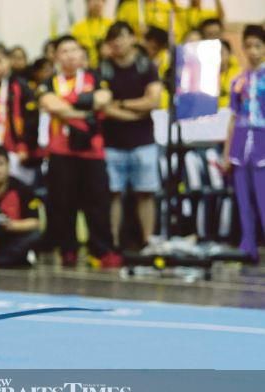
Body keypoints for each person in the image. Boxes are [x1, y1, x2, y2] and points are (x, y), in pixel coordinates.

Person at [36, 34, 121, 268]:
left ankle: (102, 250)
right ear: (55, 56)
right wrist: (85, 110)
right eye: (64, 51)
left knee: (97, 203)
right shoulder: (50, 81)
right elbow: (50, 103)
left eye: (74, 50)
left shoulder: (94, 76)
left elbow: (104, 99)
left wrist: (67, 109)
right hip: (61, 152)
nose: (71, 55)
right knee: (63, 204)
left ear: (82, 55)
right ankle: (68, 249)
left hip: (92, 152)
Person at [99, 22, 163, 251]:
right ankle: (114, 243)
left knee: (145, 193)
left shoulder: (146, 66)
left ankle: (147, 241)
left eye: (122, 37)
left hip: (143, 140)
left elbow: (153, 101)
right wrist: (134, 113)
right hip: (112, 142)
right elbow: (103, 106)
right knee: (113, 194)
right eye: (113, 39)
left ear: (132, 38)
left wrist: (123, 104)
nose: (118, 42)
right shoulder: (103, 68)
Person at [222, 25, 265, 263]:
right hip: (241, 142)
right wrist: (227, 153)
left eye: (258, 46)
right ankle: (247, 245)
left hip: (263, 141)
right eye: (248, 46)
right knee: (243, 199)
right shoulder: (238, 80)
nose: (253, 51)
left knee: (263, 196)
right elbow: (233, 118)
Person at [71, 0, 113, 68]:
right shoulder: (77, 28)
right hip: (85, 68)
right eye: (92, 0)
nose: (96, 3)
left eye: (100, 1)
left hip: (108, 66)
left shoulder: (111, 24)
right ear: (87, 3)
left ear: (104, 3)